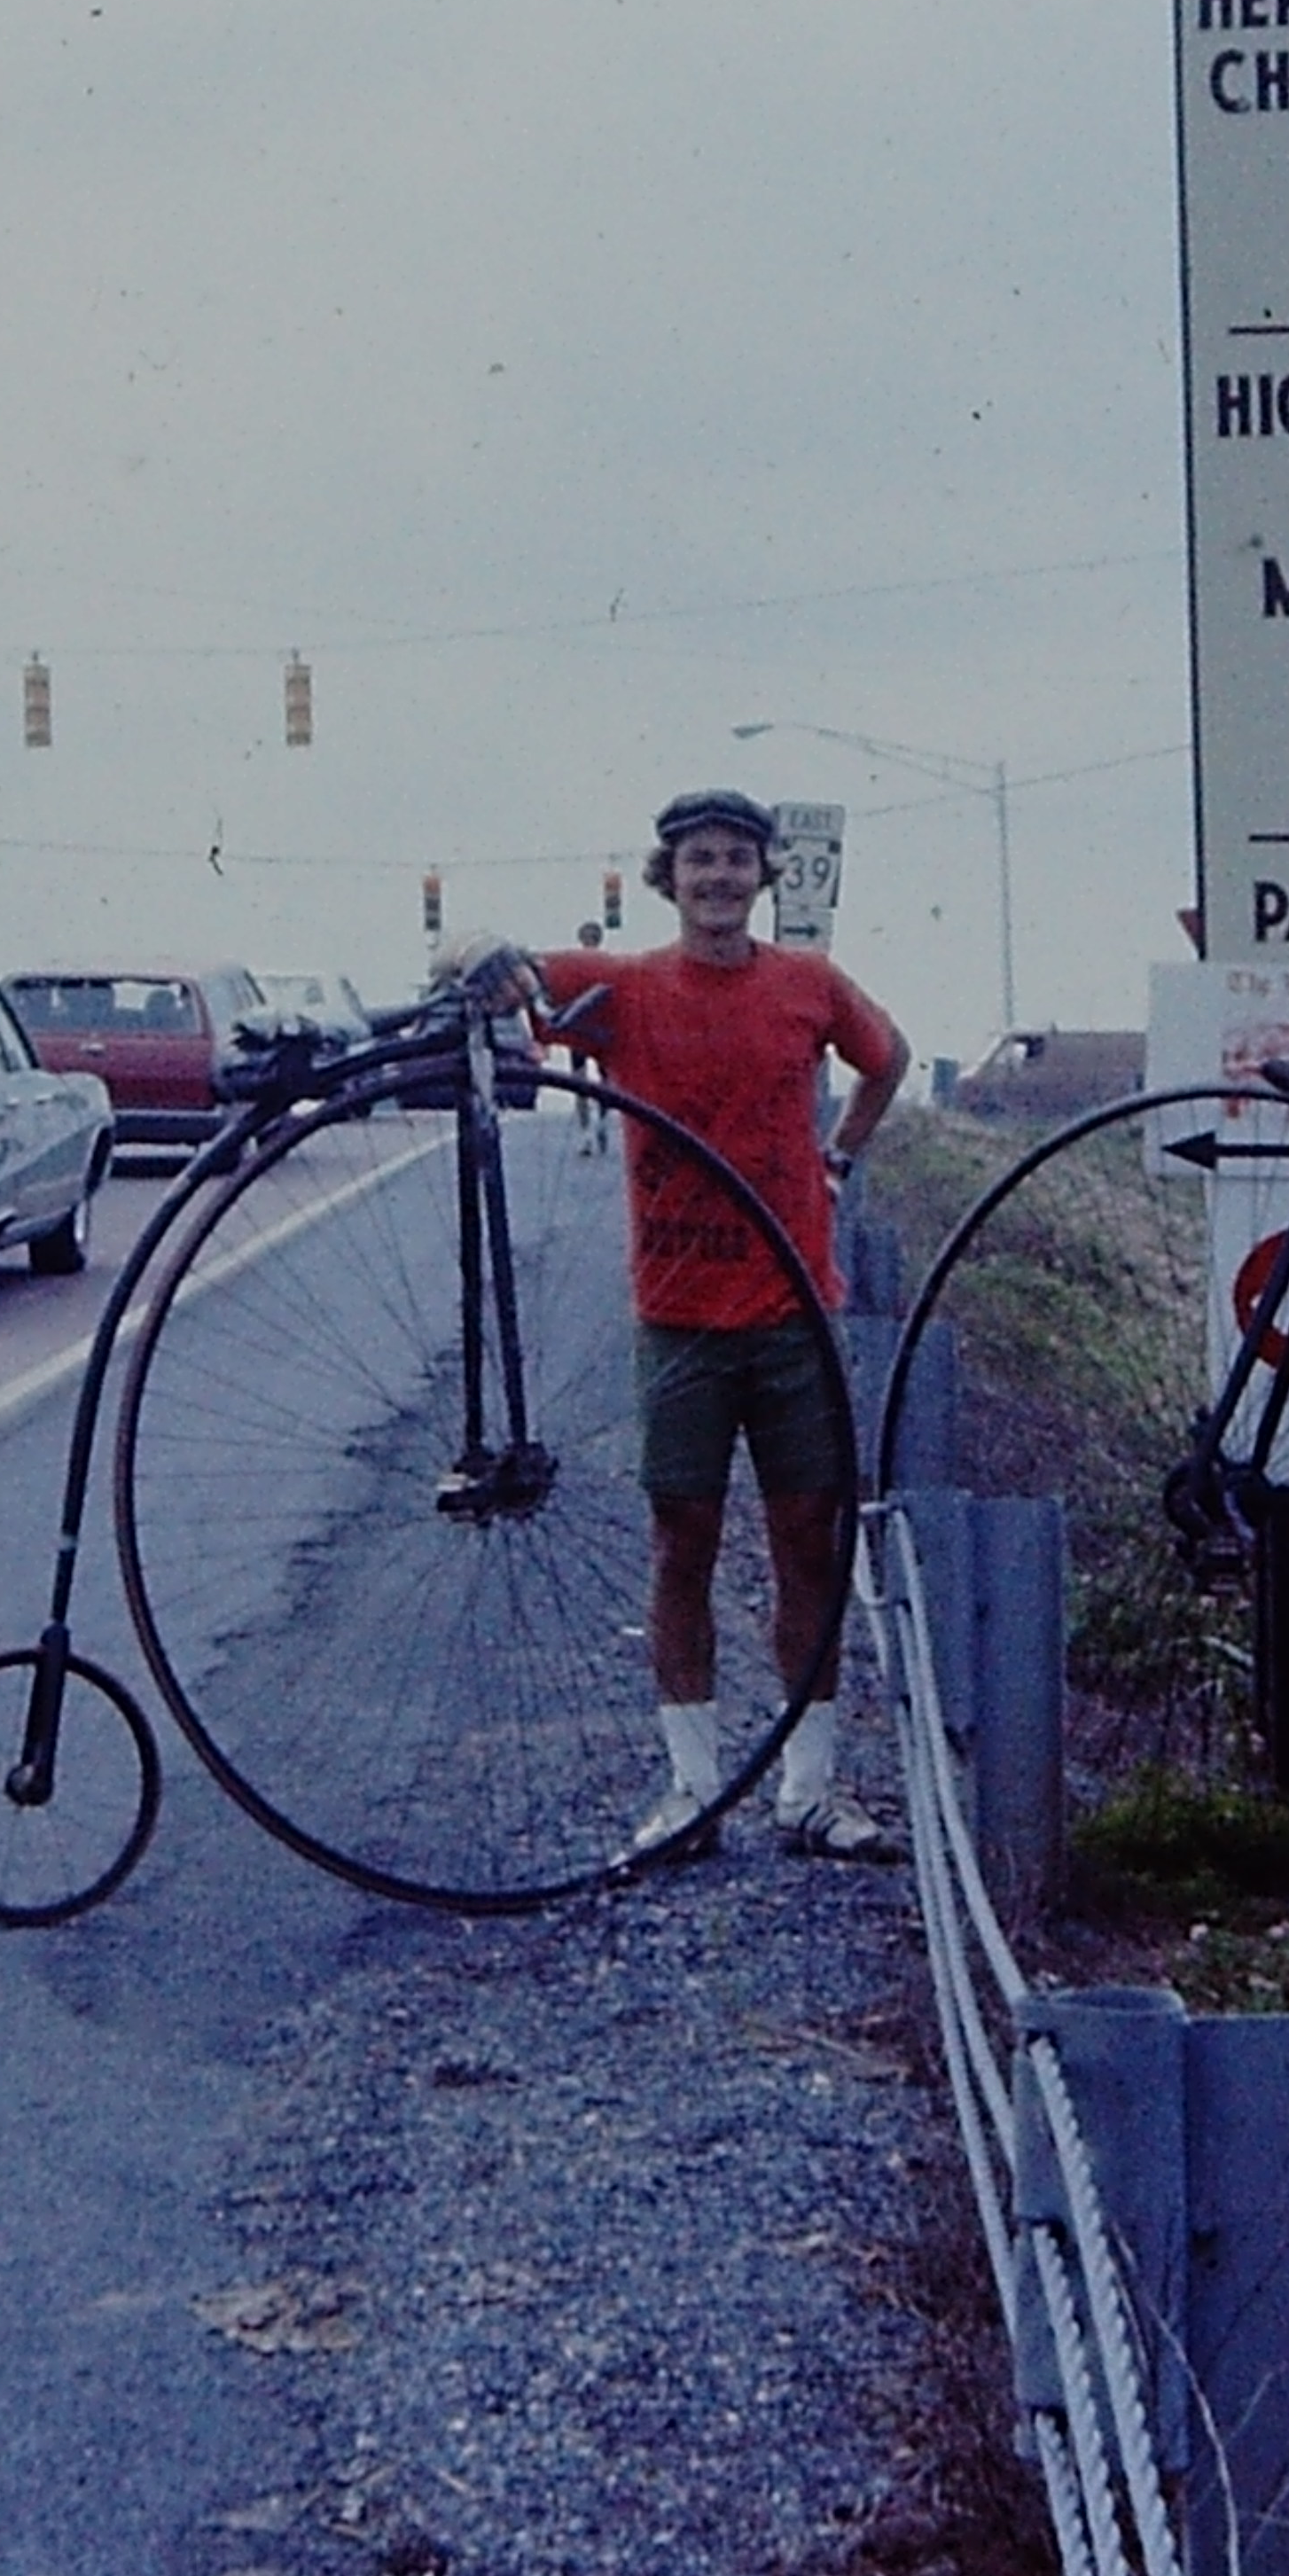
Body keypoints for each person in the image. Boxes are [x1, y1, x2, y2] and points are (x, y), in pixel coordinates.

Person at [456, 788, 911, 1862]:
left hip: (797, 1311)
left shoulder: (808, 986)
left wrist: (838, 1156)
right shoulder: (623, 991)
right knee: (683, 1548)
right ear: (672, 876)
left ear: (763, 877)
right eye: (700, 860)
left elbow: (885, 1059)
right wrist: (480, 953)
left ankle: (808, 1791)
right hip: (679, 1319)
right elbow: (505, 980)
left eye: (737, 860)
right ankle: (693, 1787)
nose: (719, 877)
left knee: (810, 1543)